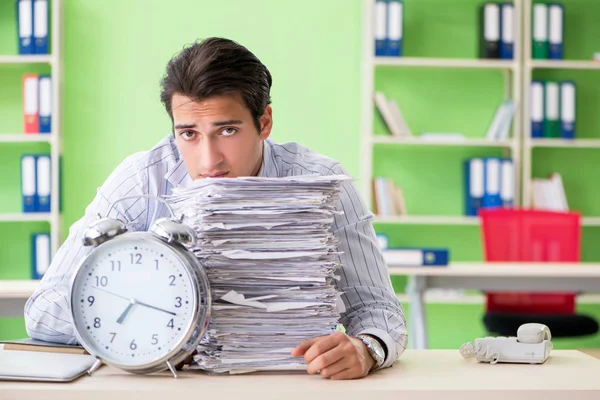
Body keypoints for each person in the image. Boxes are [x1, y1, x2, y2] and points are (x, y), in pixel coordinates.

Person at [24, 37, 407, 380]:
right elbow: (44, 310)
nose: (209, 160)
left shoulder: (321, 186)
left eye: (227, 130)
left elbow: (378, 308)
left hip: (291, 384)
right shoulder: (141, 181)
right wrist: (152, 325)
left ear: (265, 122)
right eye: (188, 134)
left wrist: (367, 348)